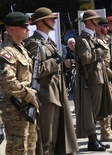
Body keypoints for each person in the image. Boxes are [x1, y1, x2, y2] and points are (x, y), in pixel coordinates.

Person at [24, 7, 78, 154]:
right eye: (51, 19)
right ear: (41, 22)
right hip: (46, 95)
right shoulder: (34, 43)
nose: (54, 21)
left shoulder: (48, 41)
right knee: (47, 138)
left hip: (56, 92)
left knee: (56, 134)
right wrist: (54, 63)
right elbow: (34, 72)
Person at [75, 10, 112, 151]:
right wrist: (98, 51)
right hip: (92, 78)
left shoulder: (91, 37)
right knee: (91, 110)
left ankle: (95, 139)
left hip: (98, 77)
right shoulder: (83, 39)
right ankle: (92, 140)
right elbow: (85, 58)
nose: (97, 22)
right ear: (88, 22)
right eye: (95, 19)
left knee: (97, 110)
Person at [0, 12, 38, 154]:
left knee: (30, 147)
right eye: (24, 26)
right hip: (14, 110)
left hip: (27, 107)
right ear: (11, 29)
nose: (28, 29)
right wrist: (29, 94)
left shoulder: (21, 49)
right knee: (18, 149)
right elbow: (7, 81)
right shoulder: (6, 52)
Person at [95, 17, 112, 142]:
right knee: (105, 107)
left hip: (108, 76)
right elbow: (101, 63)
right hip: (103, 76)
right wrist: (111, 74)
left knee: (110, 105)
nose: (107, 28)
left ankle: (108, 130)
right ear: (99, 27)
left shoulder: (103, 40)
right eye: (105, 26)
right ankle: (105, 132)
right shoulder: (96, 40)